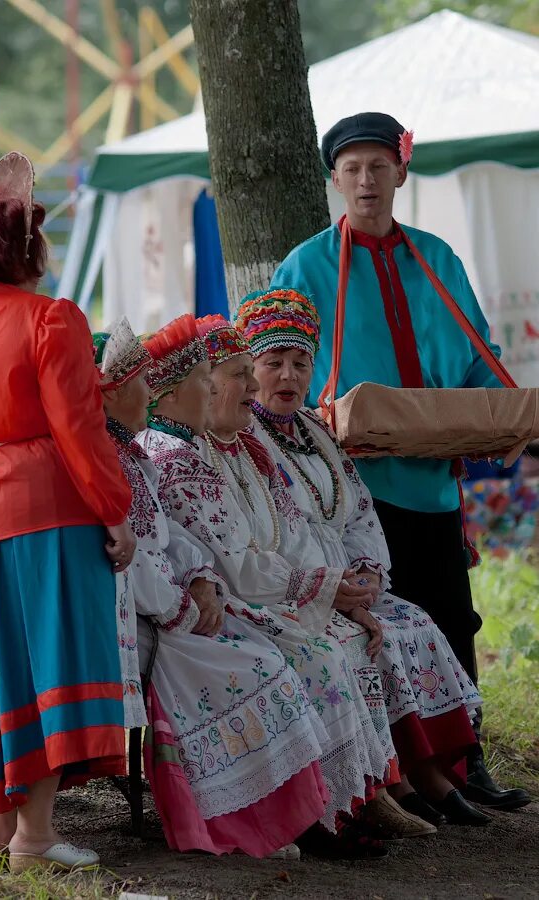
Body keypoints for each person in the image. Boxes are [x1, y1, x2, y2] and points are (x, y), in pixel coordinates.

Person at [269, 111, 530, 811]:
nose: (365, 181)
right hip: (356, 490)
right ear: (334, 180)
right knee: (378, 627)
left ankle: (465, 764)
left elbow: (478, 357)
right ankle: (398, 774)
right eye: (352, 169)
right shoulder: (305, 266)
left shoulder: (436, 258)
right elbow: (280, 371)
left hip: (436, 483)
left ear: (400, 173)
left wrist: (505, 412)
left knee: (453, 620)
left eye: (378, 167)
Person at [139, 314, 439, 860]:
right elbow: (229, 565)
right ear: (178, 392)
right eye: (234, 375)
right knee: (321, 656)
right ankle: (320, 810)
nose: (257, 386)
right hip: (215, 607)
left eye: (298, 364)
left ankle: (371, 791)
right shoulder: (178, 456)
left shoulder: (243, 447)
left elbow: (290, 533)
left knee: (349, 641)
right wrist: (326, 591)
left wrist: (341, 591)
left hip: (258, 593)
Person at [0, 153, 136, 873]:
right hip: (40, 518)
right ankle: (34, 838)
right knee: (44, 670)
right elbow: (79, 431)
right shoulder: (49, 318)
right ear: (21, 248)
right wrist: (116, 513)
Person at [234, 290, 493, 826]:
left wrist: (369, 576)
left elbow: (358, 513)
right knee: (365, 642)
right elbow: (280, 532)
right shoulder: (245, 440)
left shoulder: (315, 431)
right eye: (272, 363)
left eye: (300, 363)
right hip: (299, 590)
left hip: (346, 585)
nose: (287, 376)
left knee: (413, 622)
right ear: (249, 370)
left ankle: (430, 772)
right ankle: (387, 781)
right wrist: (336, 589)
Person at [93, 317, 331, 861]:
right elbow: (129, 559)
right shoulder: (116, 462)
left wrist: (198, 575)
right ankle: (234, 822)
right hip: (146, 621)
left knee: (267, 660)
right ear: (112, 394)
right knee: (262, 667)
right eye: (140, 384)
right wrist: (181, 605)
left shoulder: (135, 457)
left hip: (170, 609)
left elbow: (168, 537)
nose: (149, 393)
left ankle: (281, 818)